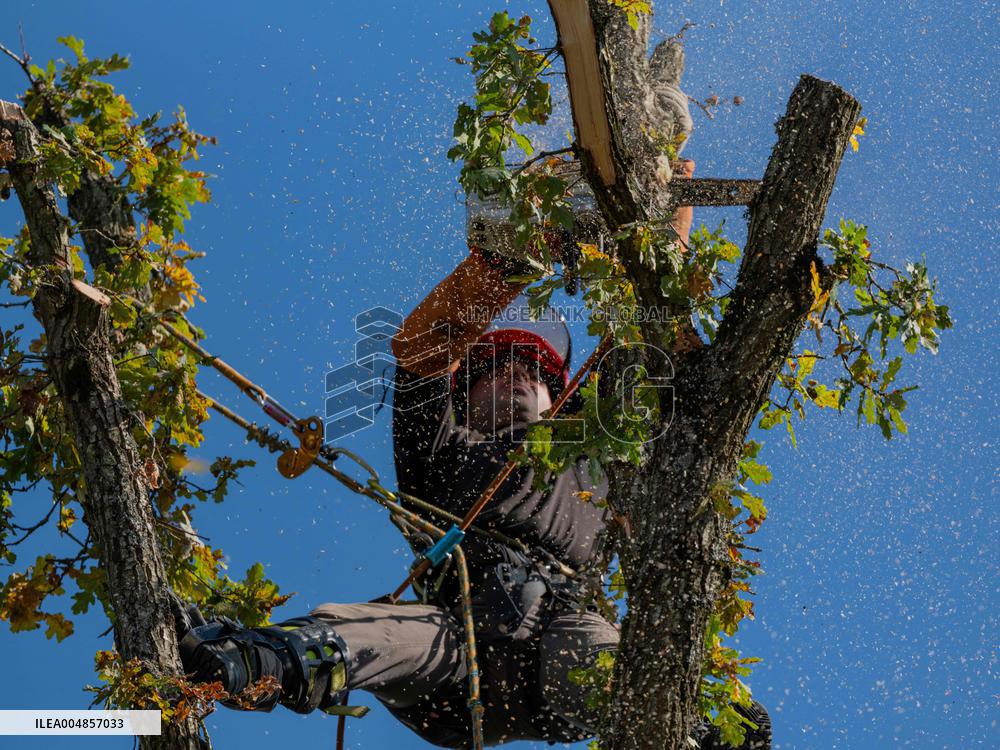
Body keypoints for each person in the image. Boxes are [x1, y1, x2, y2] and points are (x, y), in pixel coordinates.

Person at [175, 159, 772, 748]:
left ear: (560, 394)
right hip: (452, 665)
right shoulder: (439, 447)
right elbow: (419, 349)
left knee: (603, 653)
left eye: (533, 371)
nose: (516, 378)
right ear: (463, 393)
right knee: (366, 632)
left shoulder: (594, 457)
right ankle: (247, 665)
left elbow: (647, 341)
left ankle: (698, 724)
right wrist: (509, 263)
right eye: (494, 369)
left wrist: (665, 202)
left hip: (561, 646)